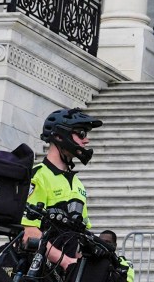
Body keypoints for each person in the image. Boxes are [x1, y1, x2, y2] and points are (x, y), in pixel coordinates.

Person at [26, 107, 101, 267]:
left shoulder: (78, 184)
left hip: (63, 272)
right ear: (60, 135)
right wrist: (66, 262)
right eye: (81, 134)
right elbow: (29, 233)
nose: (86, 141)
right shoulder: (38, 176)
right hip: (37, 269)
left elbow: (80, 236)